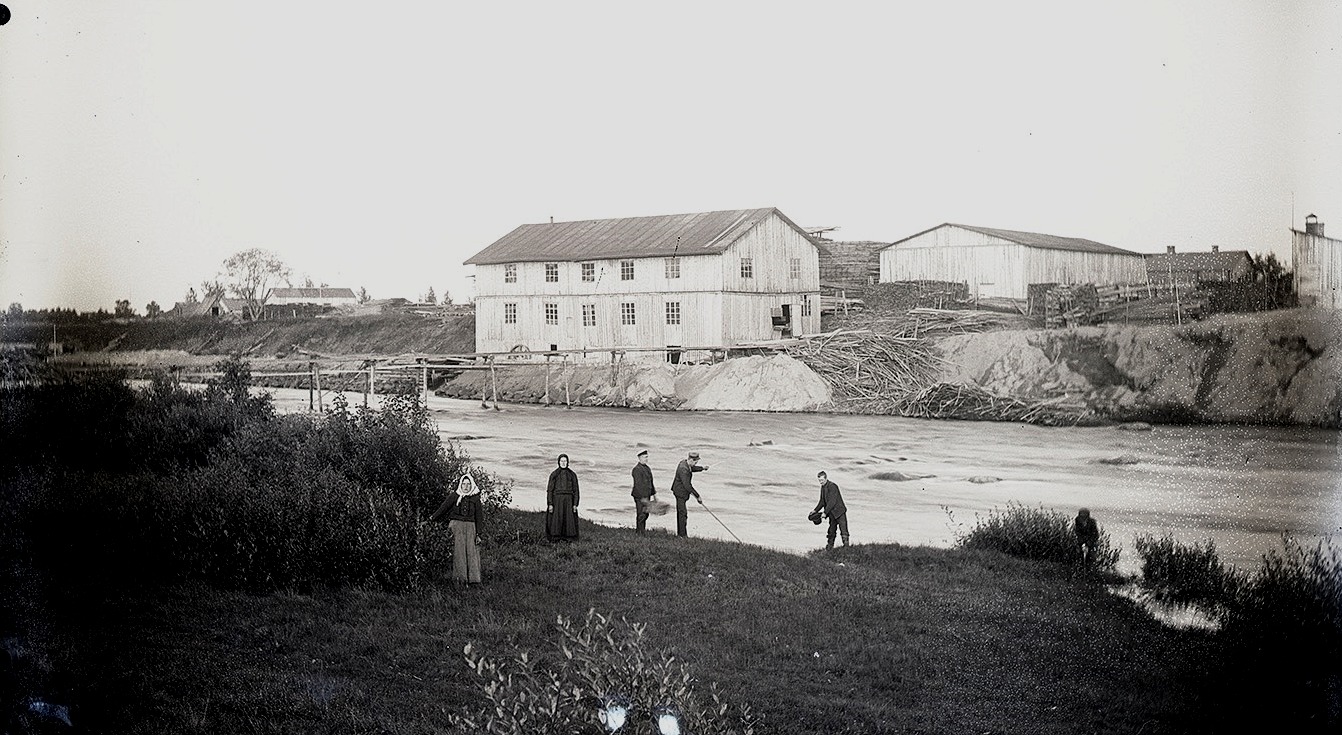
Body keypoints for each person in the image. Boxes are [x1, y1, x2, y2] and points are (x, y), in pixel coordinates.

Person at [430, 474, 484, 585]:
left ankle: (473, 580)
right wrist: (431, 519)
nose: (466, 486)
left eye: (468, 484)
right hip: (456, 527)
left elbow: (479, 517)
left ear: (471, 485)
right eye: (464, 484)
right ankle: (459, 579)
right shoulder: (454, 496)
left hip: (470, 528)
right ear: (460, 484)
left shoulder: (475, 498)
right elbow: (443, 509)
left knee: (471, 553)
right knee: (457, 553)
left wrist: (479, 534)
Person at [669, 451, 708, 537]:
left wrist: (702, 468)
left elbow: (692, 468)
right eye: (695, 462)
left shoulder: (685, 463)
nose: (695, 464)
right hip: (680, 492)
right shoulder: (684, 469)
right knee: (682, 514)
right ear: (690, 459)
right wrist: (698, 496)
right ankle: (682, 535)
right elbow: (687, 486)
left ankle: (681, 534)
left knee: (682, 513)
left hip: (679, 491)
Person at [546, 453, 580, 541]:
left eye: (565, 461)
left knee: (569, 520)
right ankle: (555, 537)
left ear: (568, 462)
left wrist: (575, 504)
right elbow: (550, 490)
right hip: (557, 500)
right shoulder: (554, 474)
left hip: (569, 500)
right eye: (562, 461)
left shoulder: (572, 475)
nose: (563, 463)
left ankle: (569, 538)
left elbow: (576, 490)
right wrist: (550, 503)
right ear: (558, 462)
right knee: (557, 519)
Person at [813, 471, 849, 550]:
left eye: (822, 480)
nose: (820, 482)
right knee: (831, 531)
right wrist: (815, 510)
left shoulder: (833, 486)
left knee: (844, 530)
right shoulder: (823, 487)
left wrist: (825, 512)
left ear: (826, 478)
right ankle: (829, 548)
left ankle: (846, 548)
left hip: (840, 512)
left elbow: (832, 501)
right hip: (832, 513)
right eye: (819, 480)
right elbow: (822, 501)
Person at [631, 449, 656, 533]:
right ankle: (639, 532)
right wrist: (643, 498)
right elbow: (638, 485)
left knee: (646, 514)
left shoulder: (647, 468)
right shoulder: (636, 469)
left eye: (647, 457)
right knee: (641, 514)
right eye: (645, 457)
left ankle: (642, 531)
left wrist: (654, 495)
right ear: (640, 458)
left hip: (647, 495)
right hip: (639, 496)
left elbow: (651, 482)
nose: (646, 459)